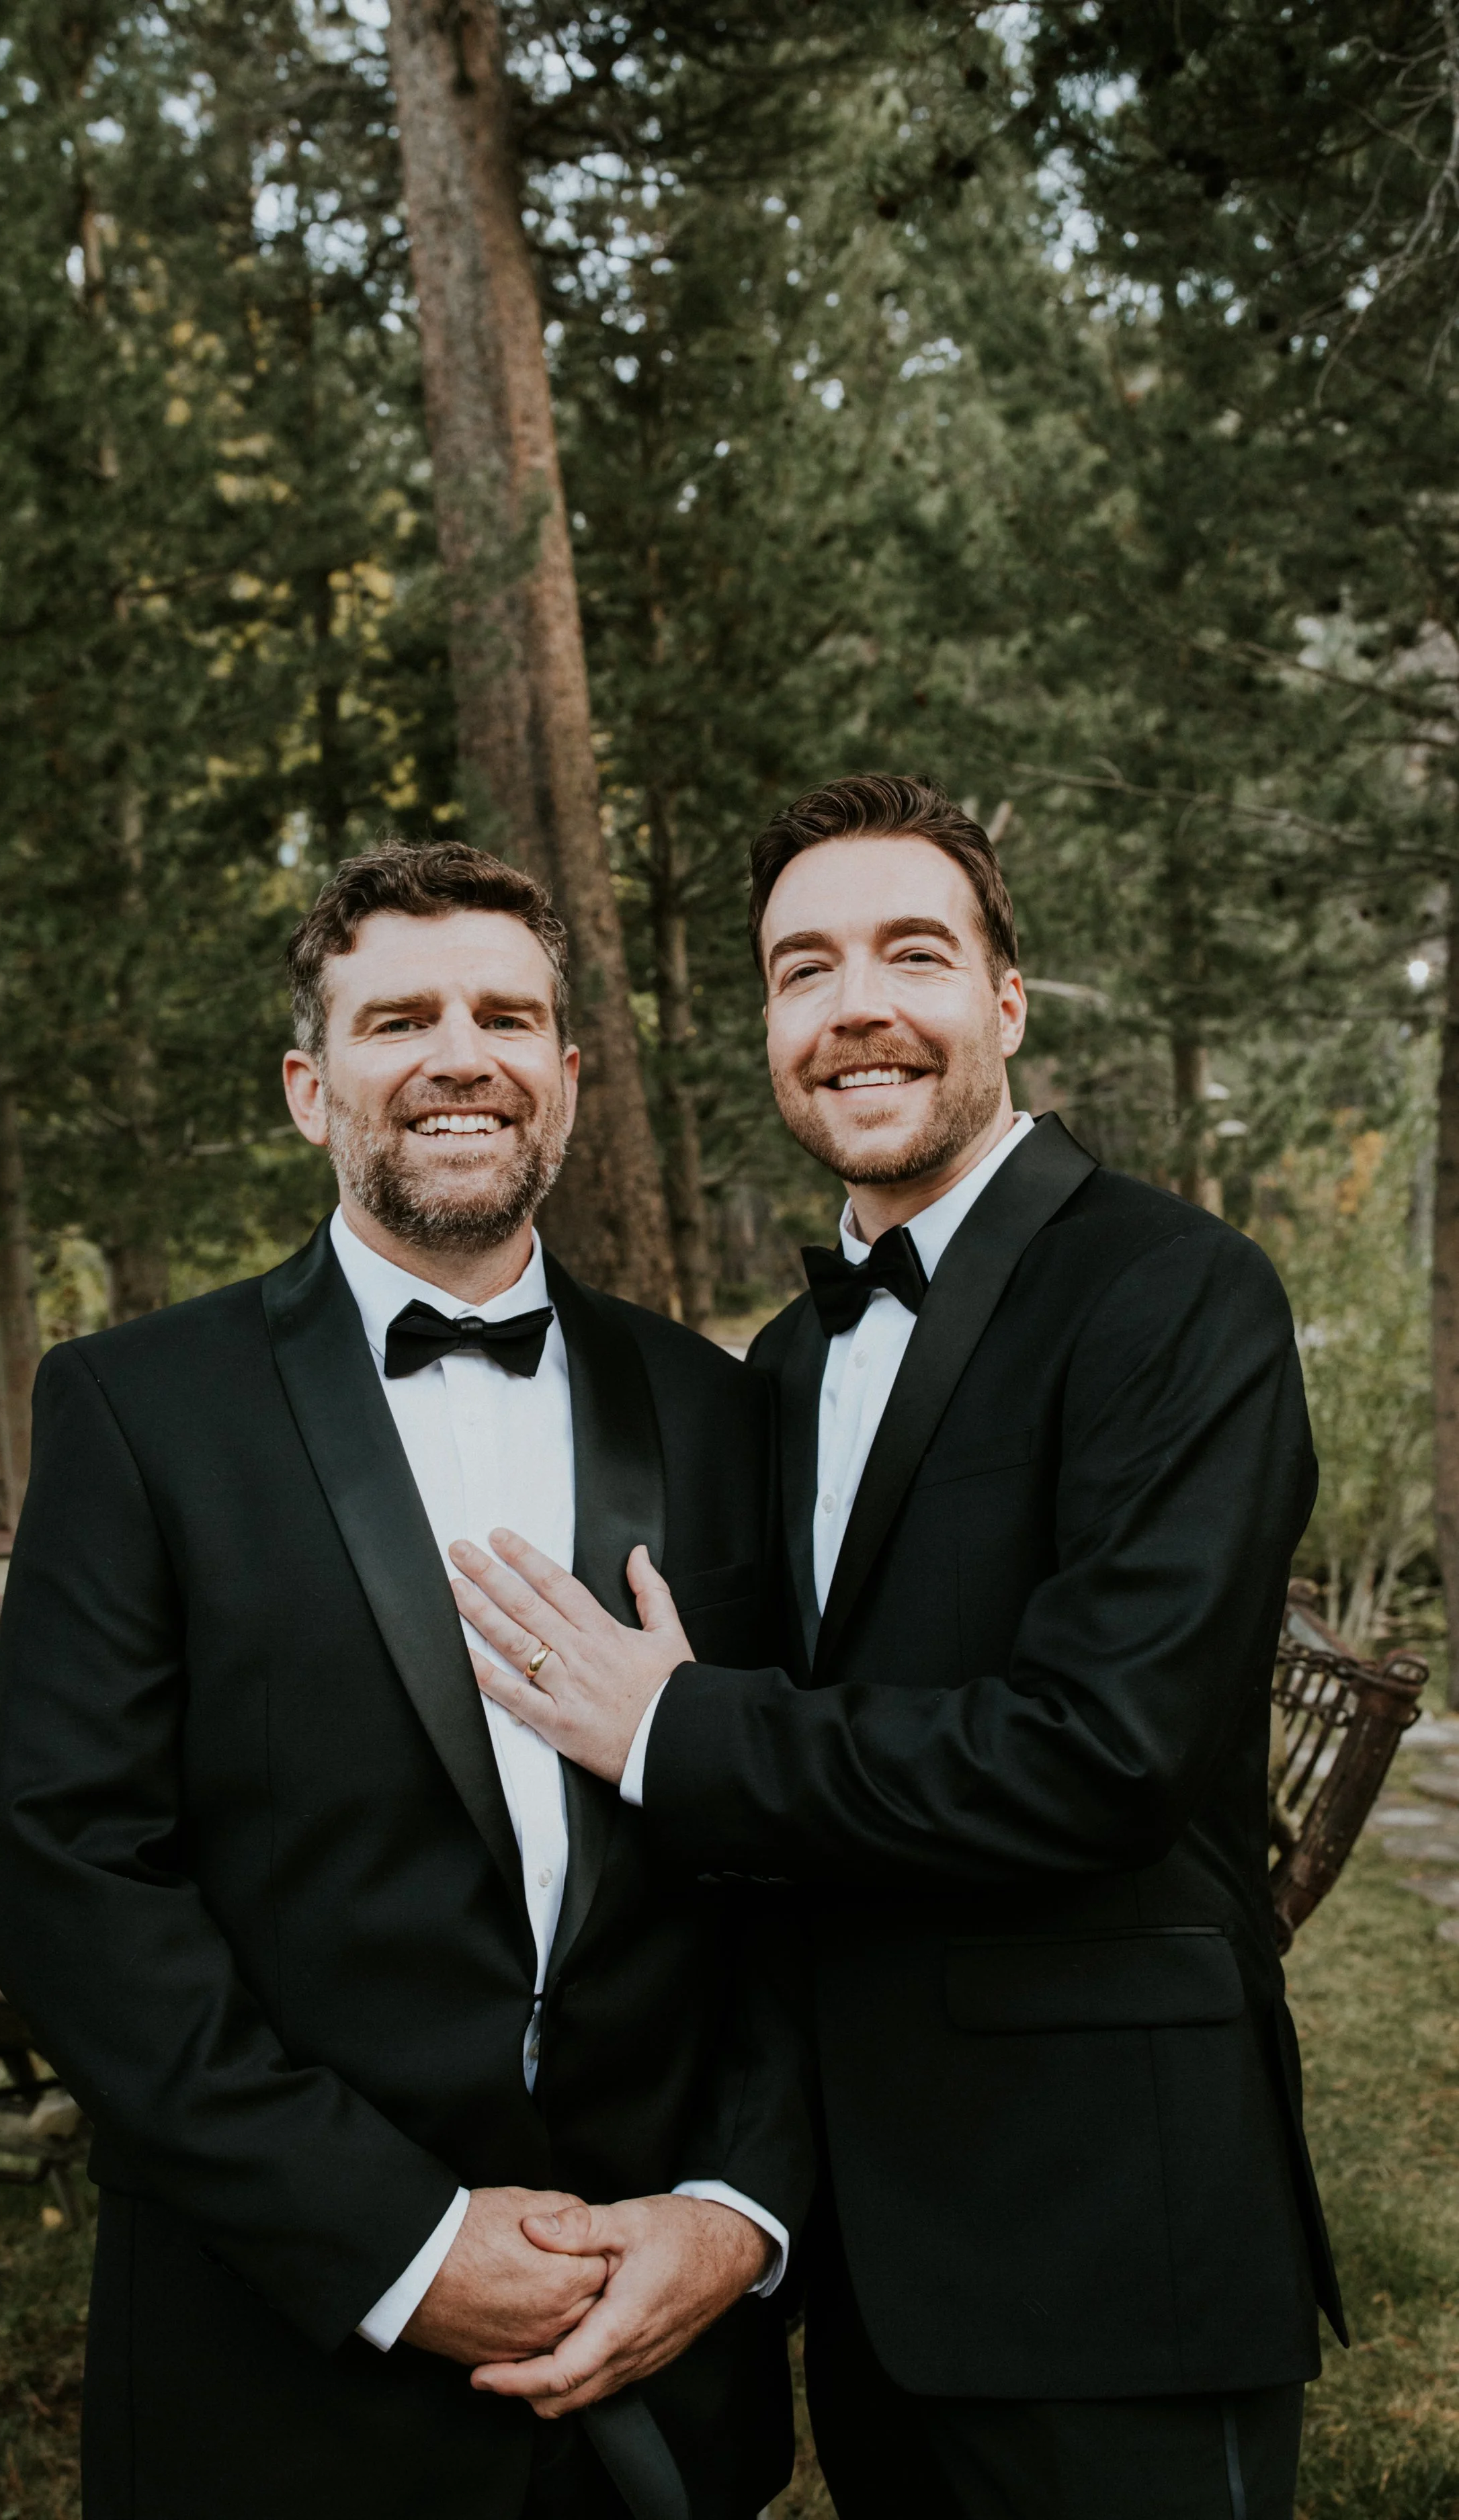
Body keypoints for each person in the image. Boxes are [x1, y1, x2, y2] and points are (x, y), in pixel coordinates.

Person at [452, 774, 1343, 2520]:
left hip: (1113, 2242)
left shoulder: (1174, 1292)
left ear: (1003, 998)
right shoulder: (783, 1364)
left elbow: (1101, 1751)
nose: (853, 1005)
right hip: (870, 2268)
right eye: (803, 969)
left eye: (910, 953)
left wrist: (675, 1731)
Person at [0, 841, 810, 2520]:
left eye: (504, 1017)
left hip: (657, 2363)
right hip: (281, 2371)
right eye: (396, 1020)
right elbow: (73, 1878)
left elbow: (791, 1851)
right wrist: (399, 2244)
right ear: (310, 1090)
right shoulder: (137, 1410)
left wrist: (734, 2210)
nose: (458, 1056)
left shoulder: (718, 1407)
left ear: (563, 1077)